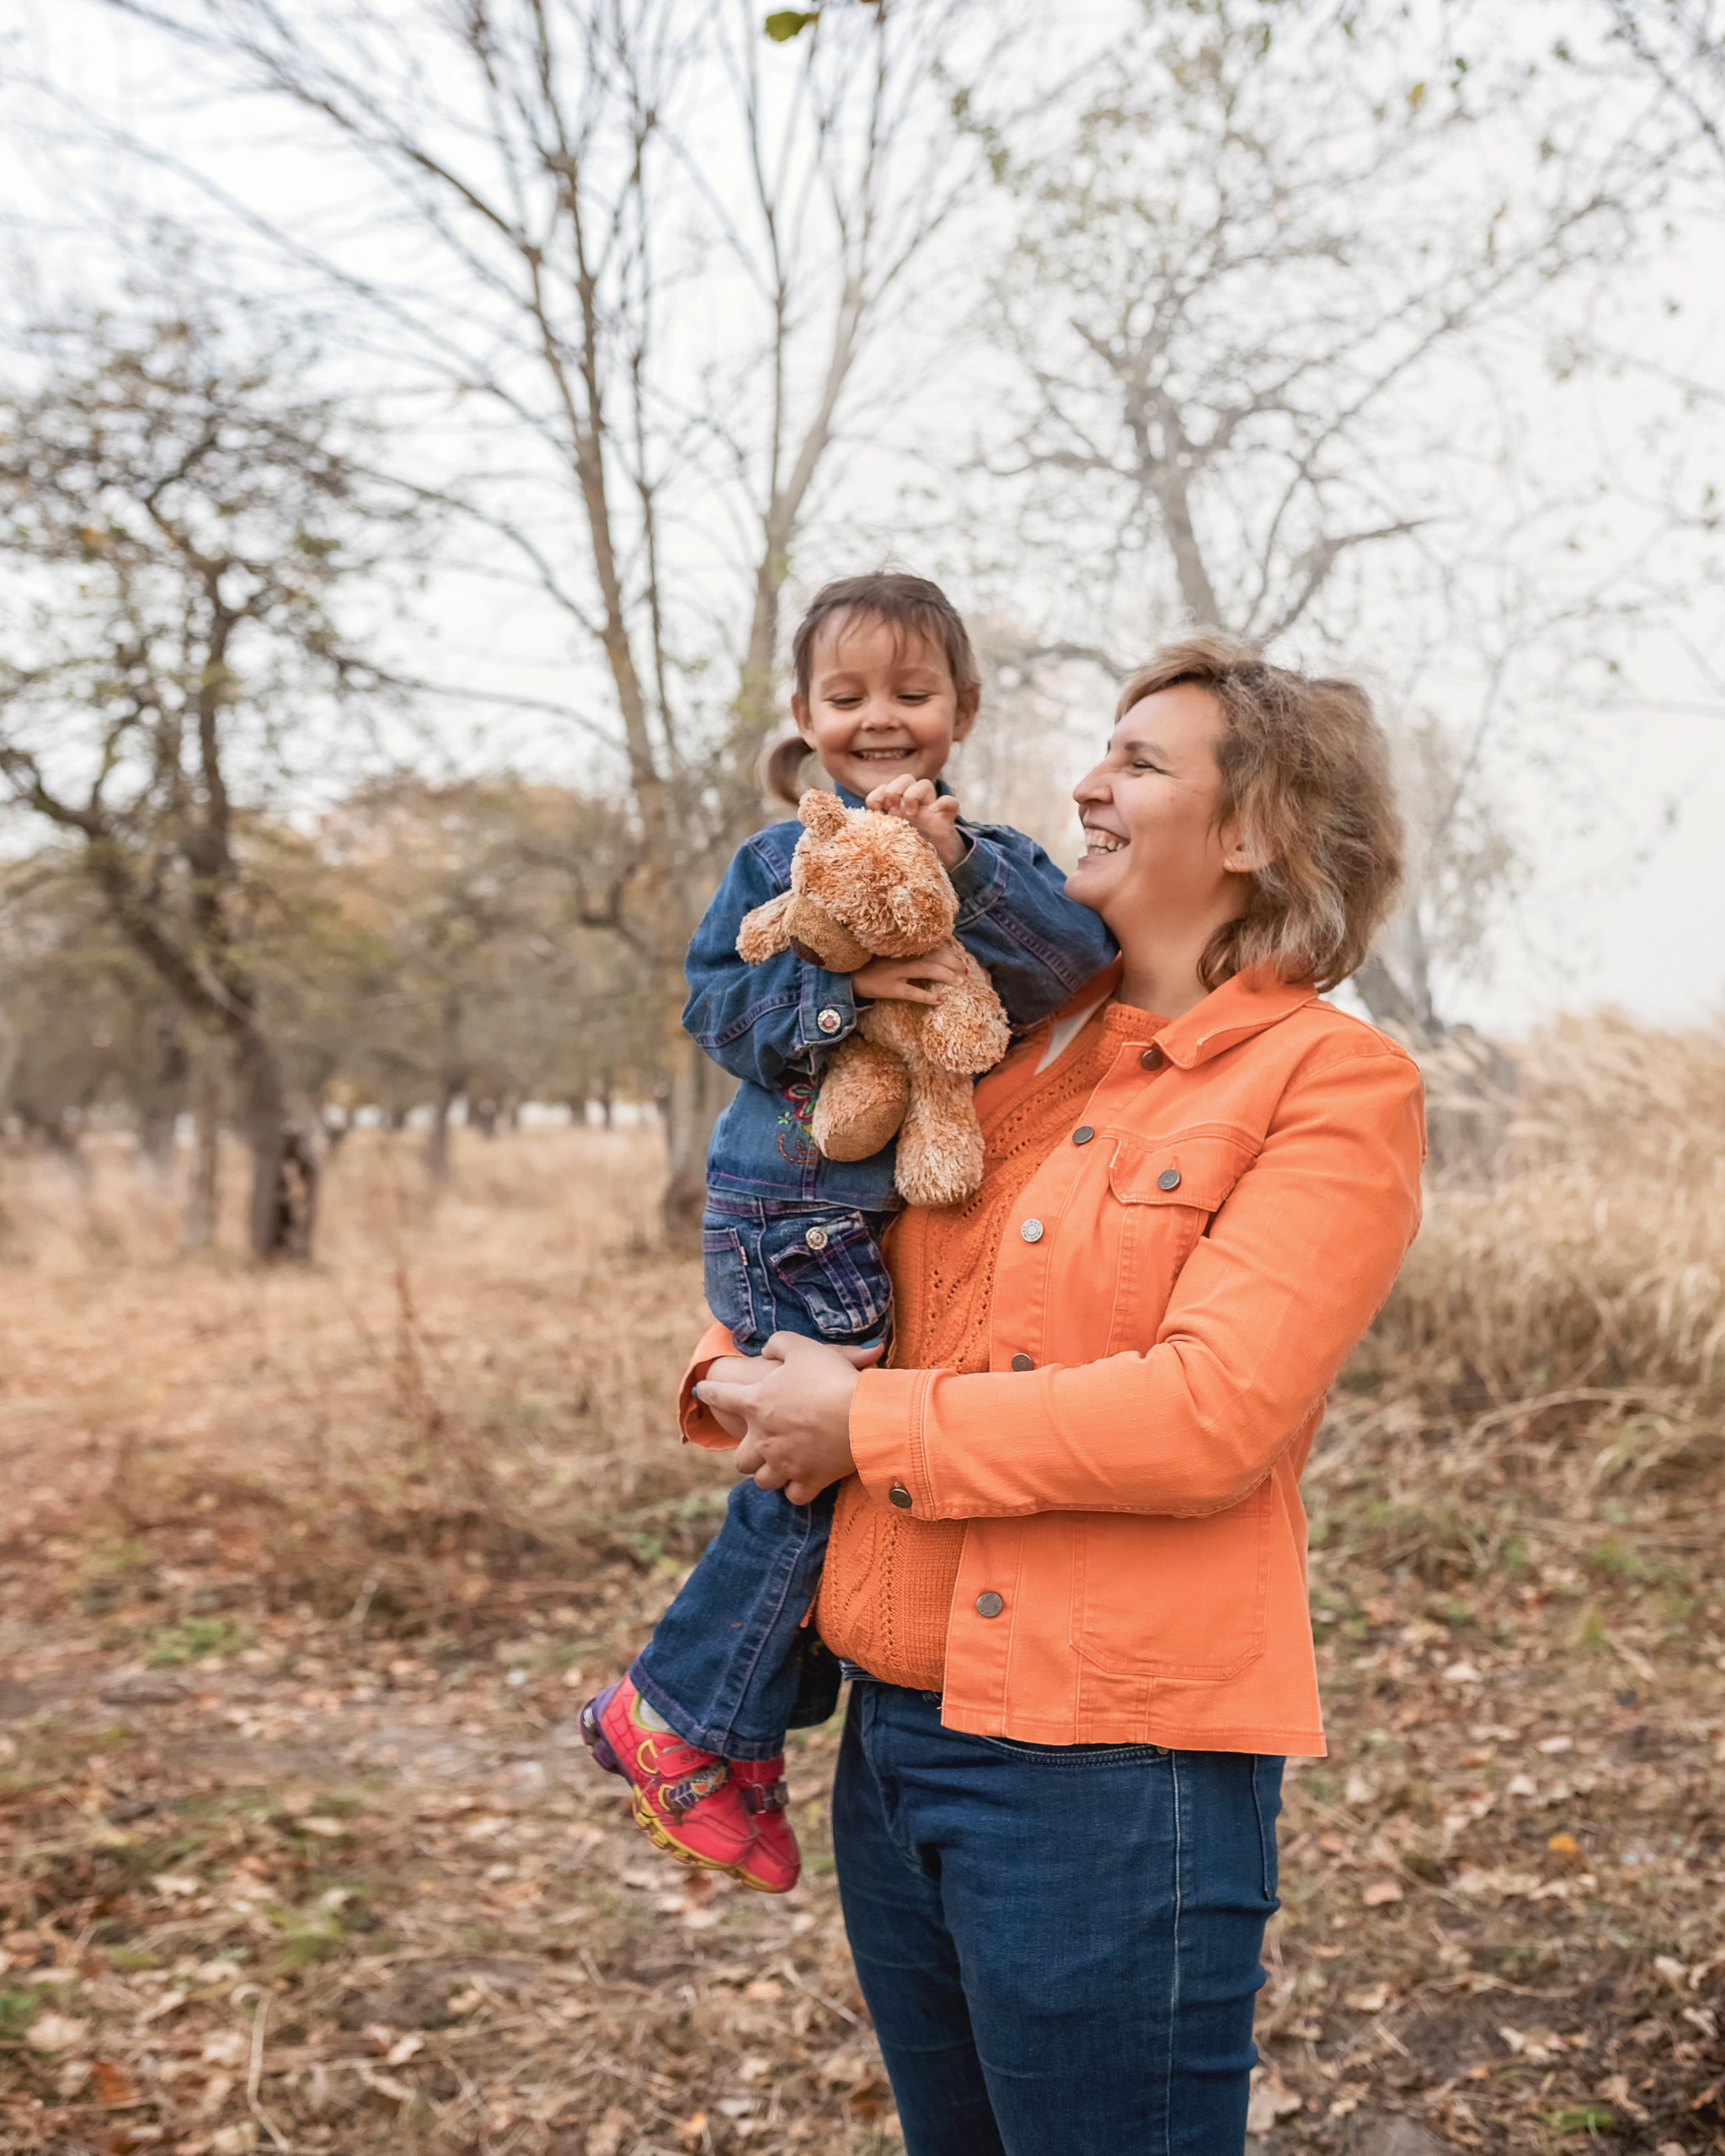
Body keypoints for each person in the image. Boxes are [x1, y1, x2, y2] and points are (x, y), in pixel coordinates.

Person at [683, 636, 1427, 2155]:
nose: (1087, 780)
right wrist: (728, 1376)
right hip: (889, 1744)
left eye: (1143, 764)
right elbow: (813, 1259)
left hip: (1107, 1779)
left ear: (1258, 831)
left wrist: (865, 1428)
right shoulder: (996, 1038)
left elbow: (1209, 1415)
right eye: (1102, 748)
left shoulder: (1328, 1084)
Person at [580, 573, 1115, 1893]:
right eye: (849, 695)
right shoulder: (773, 863)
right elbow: (719, 1012)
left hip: (881, 1220)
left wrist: (957, 872)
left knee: (851, 1456)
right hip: (789, 1207)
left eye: (912, 693)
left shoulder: (992, 853)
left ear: (963, 711)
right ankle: (683, 1714)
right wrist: (842, 987)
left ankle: (737, 1724)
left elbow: (1070, 966)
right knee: (830, 1460)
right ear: (807, 716)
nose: (881, 718)